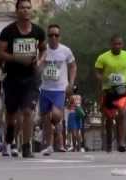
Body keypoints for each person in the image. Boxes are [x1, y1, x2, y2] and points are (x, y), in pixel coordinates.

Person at [0, 0, 46, 158]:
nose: (25, 11)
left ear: (31, 11)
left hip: (31, 78)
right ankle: (9, 139)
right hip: (12, 78)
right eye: (22, 8)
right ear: (17, 11)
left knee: (27, 112)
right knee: (11, 115)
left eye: (28, 8)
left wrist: (38, 62)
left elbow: (43, 49)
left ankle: (26, 146)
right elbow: (0, 53)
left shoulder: (38, 31)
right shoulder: (8, 31)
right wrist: (18, 59)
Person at [95, 34, 126, 152]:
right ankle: (109, 142)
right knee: (109, 118)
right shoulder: (103, 57)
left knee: (122, 113)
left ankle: (121, 143)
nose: (117, 46)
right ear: (111, 44)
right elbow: (98, 72)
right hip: (108, 90)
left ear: (122, 45)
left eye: (119, 44)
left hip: (122, 89)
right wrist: (102, 78)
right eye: (115, 44)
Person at [40, 24, 77, 156]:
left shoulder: (65, 50)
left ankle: (60, 142)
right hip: (44, 88)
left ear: (59, 36)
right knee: (45, 119)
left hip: (60, 89)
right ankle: (50, 145)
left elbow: (73, 66)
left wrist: (71, 83)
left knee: (56, 115)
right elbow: (37, 66)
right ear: (48, 36)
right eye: (51, 35)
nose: (53, 37)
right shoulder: (43, 50)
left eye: (56, 35)